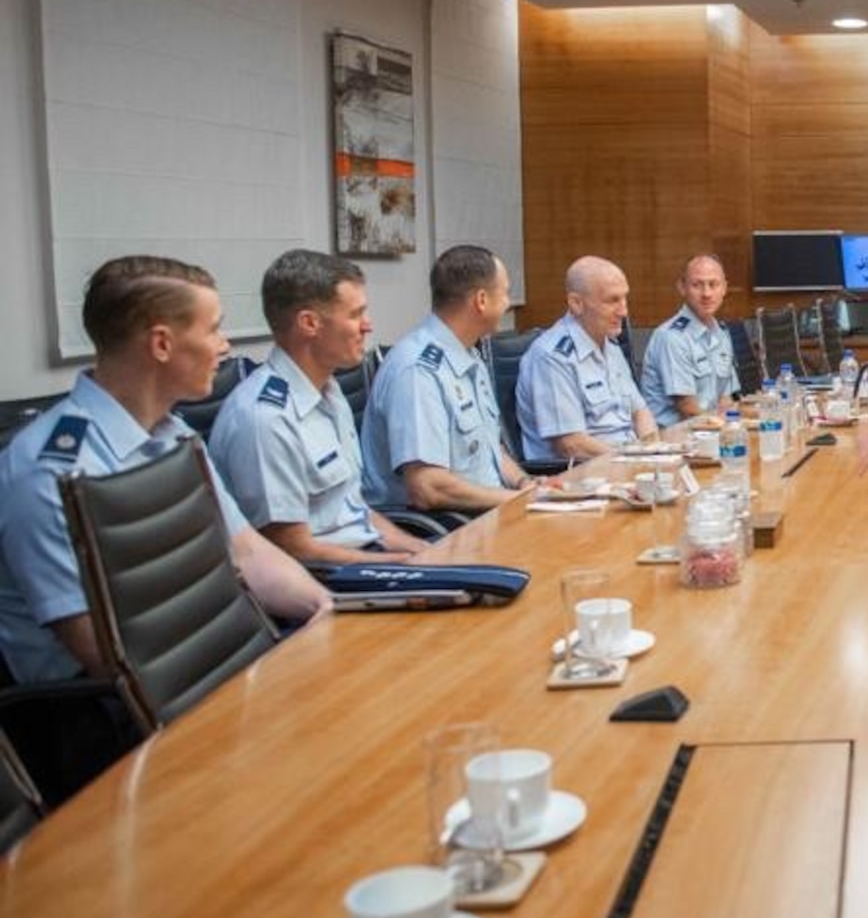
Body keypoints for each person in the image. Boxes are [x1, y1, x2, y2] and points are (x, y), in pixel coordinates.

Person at [0, 256, 330, 686]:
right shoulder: (50, 472)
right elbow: (105, 656)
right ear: (161, 344)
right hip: (112, 715)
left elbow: (246, 550)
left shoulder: (174, 435)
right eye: (212, 328)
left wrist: (325, 611)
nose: (225, 345)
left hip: (215, 665)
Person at [210, 250, 429, 566]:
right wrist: (403, 565)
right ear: (309, 323)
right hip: (329, 583)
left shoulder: (329, 391)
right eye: (355, 314)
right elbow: (292, 551)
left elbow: (355, 512)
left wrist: (421, 550)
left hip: (367, 558)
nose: (367, 326)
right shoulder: (266, 418)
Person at [363, 245, 535, 513]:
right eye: (505, 293)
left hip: (491, 512)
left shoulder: (469, 356)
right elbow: (428, 487)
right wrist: (519, 502)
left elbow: (489, 451)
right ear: (481, 300)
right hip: (448, 528)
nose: (508, 303)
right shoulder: (419, 372)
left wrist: (526, 484)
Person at [517, 256, 655, 462]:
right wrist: (632, 459)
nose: (624, 311)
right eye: (612, 300)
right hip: (584, 475)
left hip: (626, 462)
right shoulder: (552, 357)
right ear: (576, 303)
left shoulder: (610, 345)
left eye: (624, 298)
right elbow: (571, 444)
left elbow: (640, 412)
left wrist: (654, 452)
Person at [641, 253, 740, 426]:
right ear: (682, 287)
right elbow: (688, 410)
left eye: (713, 284)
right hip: (673, 439)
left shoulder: (721, 333)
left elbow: (725, 399)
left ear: (724, 288)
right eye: (697, 285)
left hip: (708, 432)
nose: (707, 293)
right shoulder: (672, 337)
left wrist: (734, 426)